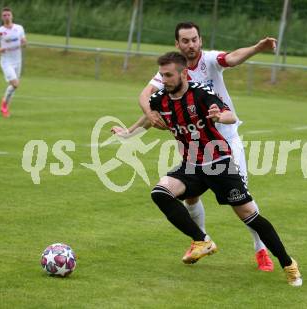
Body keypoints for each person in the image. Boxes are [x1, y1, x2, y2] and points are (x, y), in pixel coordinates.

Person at [113, 22, 277, 271]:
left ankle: (260, 248)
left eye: (194, 39)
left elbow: (231, 58)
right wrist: (134, 129)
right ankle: (201, 241)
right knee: (190, 197)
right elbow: (146, 97)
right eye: (185, 41)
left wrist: (257, 47)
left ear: (200, 40)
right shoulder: (172, 72)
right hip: (195, 147)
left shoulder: (209, 60)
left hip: (226, 142)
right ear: (177, 44)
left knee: (242, 201)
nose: (191, 45)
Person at [148, 51, 302, 286]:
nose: (164, 79)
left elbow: (230, 114)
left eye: (168, 75)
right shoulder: (160, 98)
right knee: (160, 192)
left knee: (250, 217)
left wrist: (220, 117)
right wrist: (130, 131)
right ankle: (202, 240)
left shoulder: (201, 93)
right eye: (162, 75)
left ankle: (288, 263)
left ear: (183, 73)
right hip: (191, 166)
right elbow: (151, 116)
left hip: (218, 164)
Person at [0, 7, 27, 118]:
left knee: (15, 86)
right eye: (4, 15)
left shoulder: (19, 28)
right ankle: (4, 105)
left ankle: (5, 106)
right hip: (6, 61)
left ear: (12, 16)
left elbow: (24, 42)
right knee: (15, 83)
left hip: (18, 60)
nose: (7, 17)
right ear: (2, 17)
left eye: (8, 15)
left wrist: (24, 42)